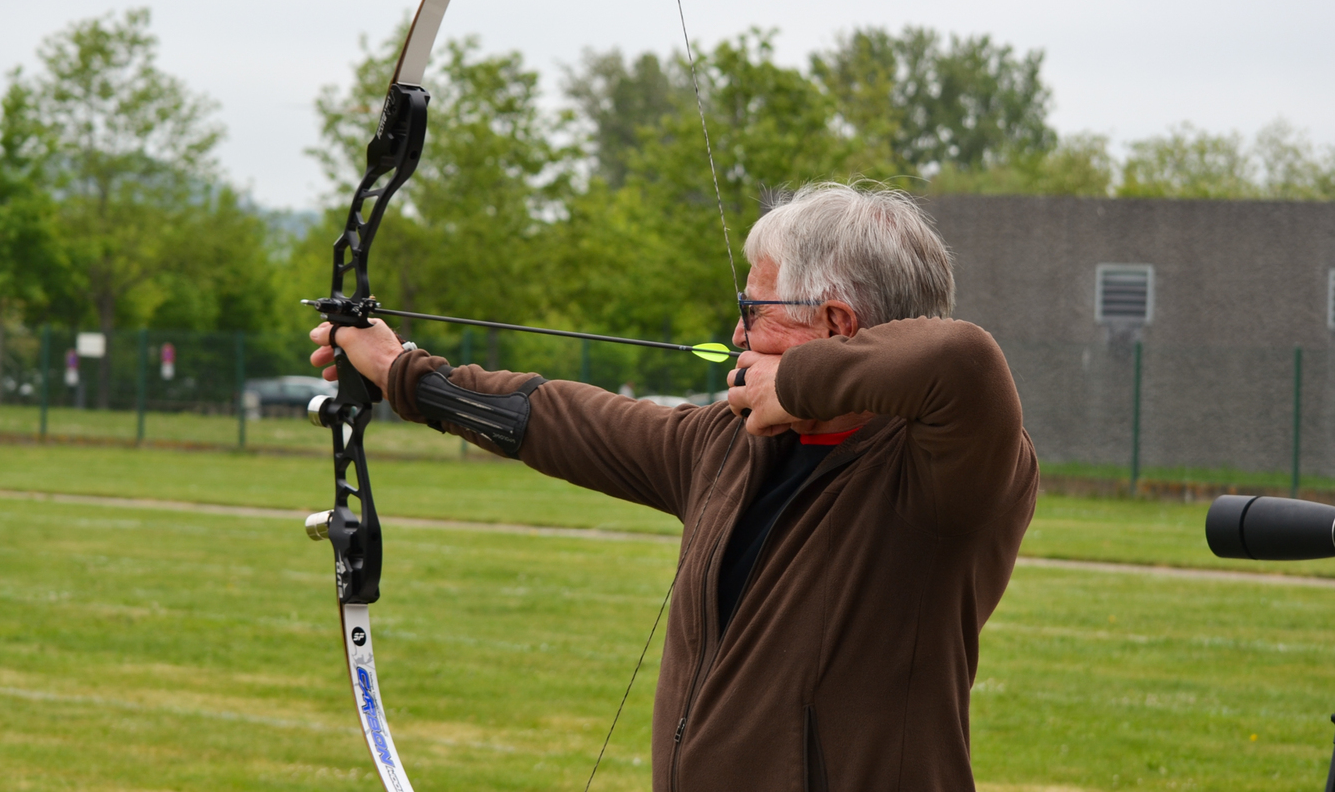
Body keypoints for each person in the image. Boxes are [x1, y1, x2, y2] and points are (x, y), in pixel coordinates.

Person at [309, 182, 1037, 791]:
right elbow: (559, 420)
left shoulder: (942, 474)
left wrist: (797, 381)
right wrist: (401, 371)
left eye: (753, 311)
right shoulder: (730, 445)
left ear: (837, 324)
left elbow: (963, 359)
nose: (737, 333)